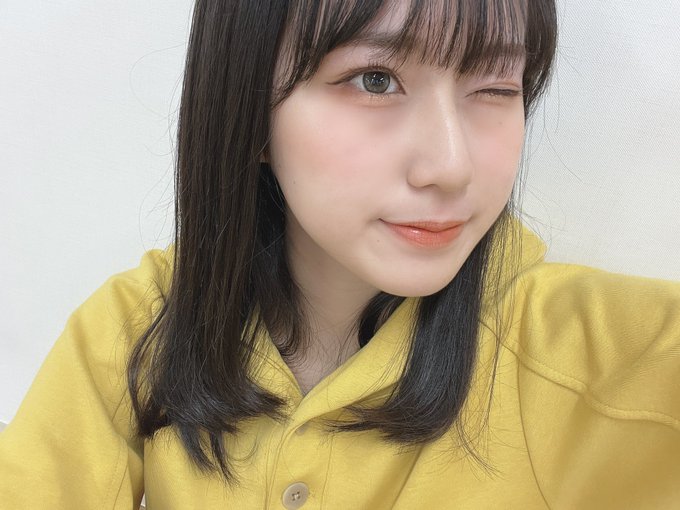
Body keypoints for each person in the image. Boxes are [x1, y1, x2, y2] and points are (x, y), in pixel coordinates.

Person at [1, 1, 678, 508]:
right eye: (375, 80)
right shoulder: (140, 323)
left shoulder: (587, 352)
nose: (451, 166)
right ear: (249, 109)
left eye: (497, 87)